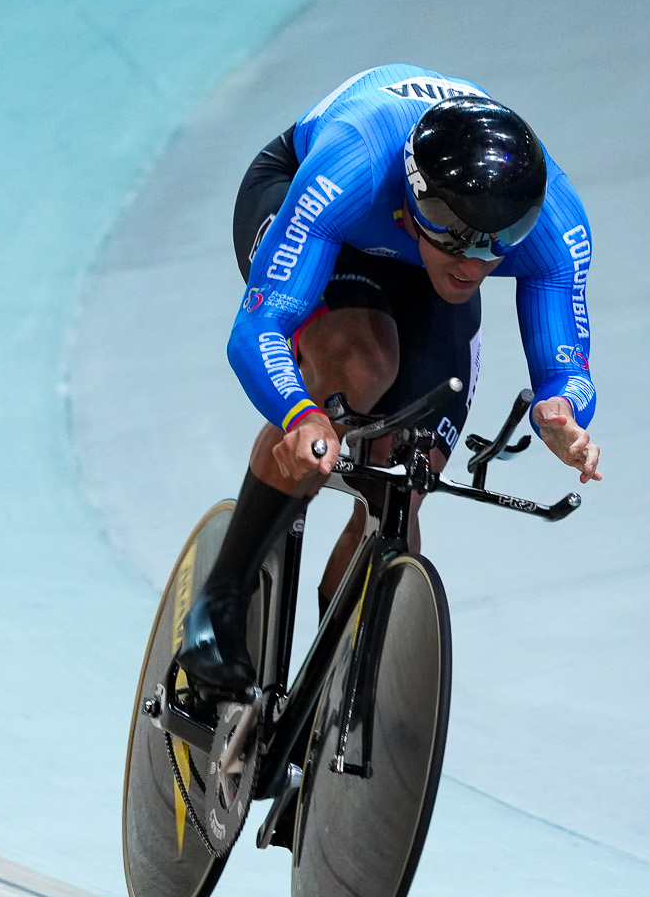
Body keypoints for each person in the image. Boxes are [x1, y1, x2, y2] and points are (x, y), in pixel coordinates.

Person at [177, 64, 602, 695]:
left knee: (412, 468)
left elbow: (566, 366)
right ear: (422, 200)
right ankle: (222, 601)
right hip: (327, 210)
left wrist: (562, 414)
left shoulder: (545, 222)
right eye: (460, 239)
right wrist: (303, 414)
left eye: (499, 246)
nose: (476, 261)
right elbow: (257, 331)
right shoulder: (354, 166)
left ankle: (333, 696)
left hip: (412, 243)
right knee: (359, 366)